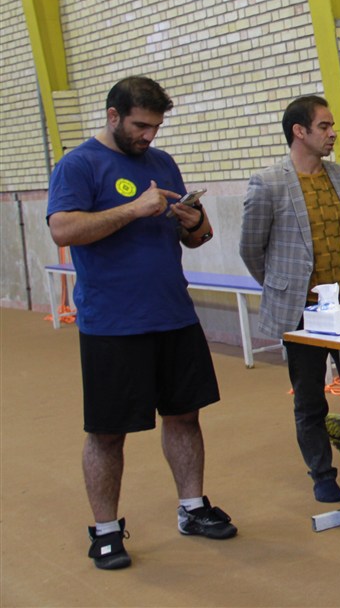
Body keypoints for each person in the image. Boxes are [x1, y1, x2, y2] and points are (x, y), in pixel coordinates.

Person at [47, 76, 235, 571]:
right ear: (113, 116)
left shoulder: (162, 162)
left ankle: (192, 507)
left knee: (185, 416)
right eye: (140, 126)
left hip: (172, 313)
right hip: (112, 323)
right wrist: (134, 208)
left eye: (155, 127)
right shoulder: (79, 164)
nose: (148, 135)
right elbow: (63, 228)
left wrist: (194, 222)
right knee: (108, 432)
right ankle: (106, 530)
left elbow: (196, 236)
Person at [239, 95, 340, 505]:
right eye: (324, 126)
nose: (332, 134)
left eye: (332, 126)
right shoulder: (268, 183)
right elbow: (251, 249)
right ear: (299, 131)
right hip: (303, 313)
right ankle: (322, 473)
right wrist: (283, 289)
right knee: (310, 395)